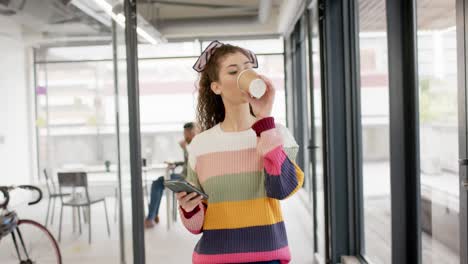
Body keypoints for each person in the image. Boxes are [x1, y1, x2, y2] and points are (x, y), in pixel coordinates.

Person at [176, 40, 304, 264]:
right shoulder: (200, 144)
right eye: (233, 71)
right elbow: (197, 226)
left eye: (247, 69)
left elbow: (283, 188)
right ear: (216, 87)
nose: (244, 75)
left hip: (267, 258)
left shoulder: (276, 133)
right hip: (214, 258)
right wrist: (188, 210)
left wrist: (265, 121)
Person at [144, 122, 197, 228]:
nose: (184, 136)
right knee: (158, 183)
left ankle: (151, 216)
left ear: (191, 132)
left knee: (157, 183)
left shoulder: (195, 145)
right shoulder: (190, 145)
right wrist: (175, 163)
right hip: (183, 176)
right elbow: (186, 162)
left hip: (186, 179)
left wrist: (185, 149)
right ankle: (153, 215)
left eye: (185, 133)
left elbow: (193, 164)